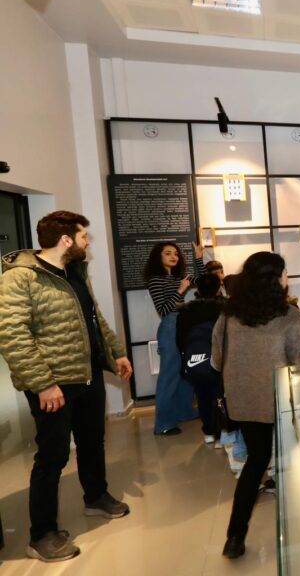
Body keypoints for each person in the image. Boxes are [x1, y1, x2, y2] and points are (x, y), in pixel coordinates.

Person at [0, 211, 133, 562]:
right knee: (53, 456)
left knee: (92, 441)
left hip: (87, 374)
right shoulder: (20, 277)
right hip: (53, 383)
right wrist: (43, 385)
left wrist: (116, 352)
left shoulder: (75, 272)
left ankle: (96, 497)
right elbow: (12, 336)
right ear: (66, 240)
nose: (88, 241)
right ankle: (41, 535)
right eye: (84, 236)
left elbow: (94, 318)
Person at [211, 252, 300, 559]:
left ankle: (235, 536)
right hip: (281, 400)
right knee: (292, 460)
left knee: (256, 462)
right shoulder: (289, 315)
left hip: (243, 401)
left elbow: (217, 359)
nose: (287, 278)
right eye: (284, 273)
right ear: (275, 279)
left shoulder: (228, 315)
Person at [144, 240, 204, 436]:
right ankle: (163, 424)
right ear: (158, 257)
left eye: (176, 254)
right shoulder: (155, 279)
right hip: (170, 327)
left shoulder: (179, 277)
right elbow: (163, 309)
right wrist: (181, 290)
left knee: (186, 372)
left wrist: (199, 259)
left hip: (184, 326)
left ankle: (184, 411)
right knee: (169, 375)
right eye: (168, 253)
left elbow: (205, 282)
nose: (173, 256)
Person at [176, 273, 225, 444]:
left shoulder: (186, 310)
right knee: (220, 395)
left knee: (202, 396)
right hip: (220, 360)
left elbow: (180, 340)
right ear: (218, 289)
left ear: (198, 289)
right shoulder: (225, 308)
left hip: (196, 361)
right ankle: (222, 432)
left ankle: (209, 432)